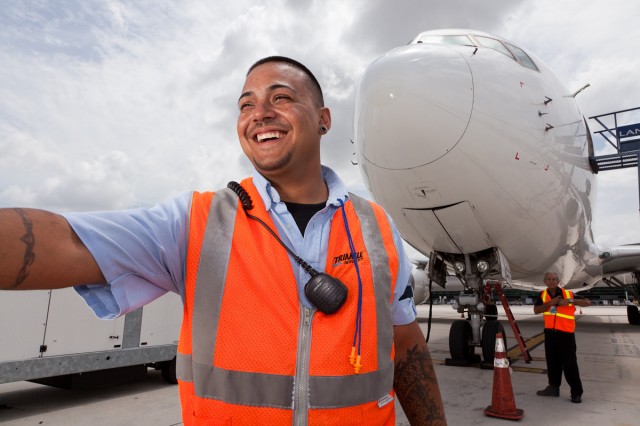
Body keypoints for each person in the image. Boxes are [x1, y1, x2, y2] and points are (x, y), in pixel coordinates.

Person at [0, 56, 446, 425]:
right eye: (246, 105)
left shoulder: (377, 226)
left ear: (324, 119)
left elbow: (406, 345)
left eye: (282, 98)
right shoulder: (197, 222)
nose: (260, 113)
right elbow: (68, 242)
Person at [534, 271, 591, 403]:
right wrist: (550, 303)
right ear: (545, 282)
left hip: (566, 335)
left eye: (554, 279)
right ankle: (553, 388)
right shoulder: (542, 295)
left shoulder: (568, 294)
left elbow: (587, 302)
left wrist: (570, 301)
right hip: (550, 334)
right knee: (552, 363)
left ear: (558, 281)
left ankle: (576, 393)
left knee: (570, 364)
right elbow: (536, 310)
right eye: (549, 279)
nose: (551, 281)